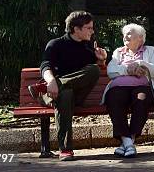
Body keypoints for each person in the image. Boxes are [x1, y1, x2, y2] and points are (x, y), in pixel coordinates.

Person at [29, 11, 107, 161]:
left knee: (93, 69)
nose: (92, 31)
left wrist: (101, 60)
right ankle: (65, 150)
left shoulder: (88, 47)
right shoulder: (56, 44)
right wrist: (51, 81)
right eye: (89, 28)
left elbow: (91, 73)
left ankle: (50, 87)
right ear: (76, 29)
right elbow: (45, 66)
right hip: (58, 95)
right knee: (65, 94)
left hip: (78, 96)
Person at [101, 23, 154, 158]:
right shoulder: (118, 52)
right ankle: (128, 142)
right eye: (124, 34)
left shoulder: (150, 50)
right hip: (119, 88)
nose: (125, 36)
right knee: (114, 99)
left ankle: (127, 142)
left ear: (140, 38)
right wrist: (128, 70)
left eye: (129, 33)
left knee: (141, 99)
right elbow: (111, 71)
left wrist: (141, 64)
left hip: (143, 87)